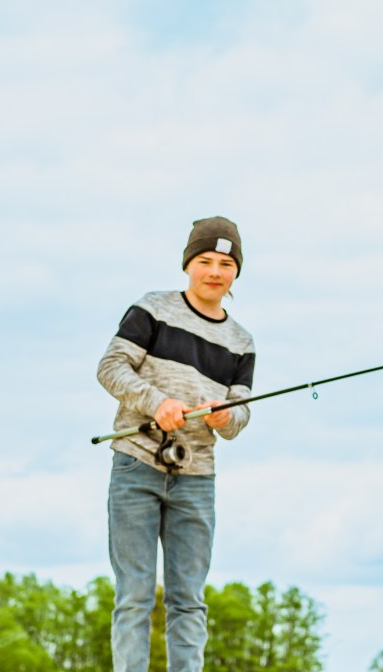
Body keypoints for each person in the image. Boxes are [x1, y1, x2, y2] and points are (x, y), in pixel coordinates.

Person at [97, 216, 257, 671]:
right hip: (135, 467)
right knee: (135, 595)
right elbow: (110, 367)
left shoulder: (242, 342)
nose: (214, 271)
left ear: (236, 273)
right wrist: (156, 402)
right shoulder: (152, 309)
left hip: (197, 481)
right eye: (205, 260)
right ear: (188, 264)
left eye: (225, 264)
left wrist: (228, 416)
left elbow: (241, 413)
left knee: (189, 600)